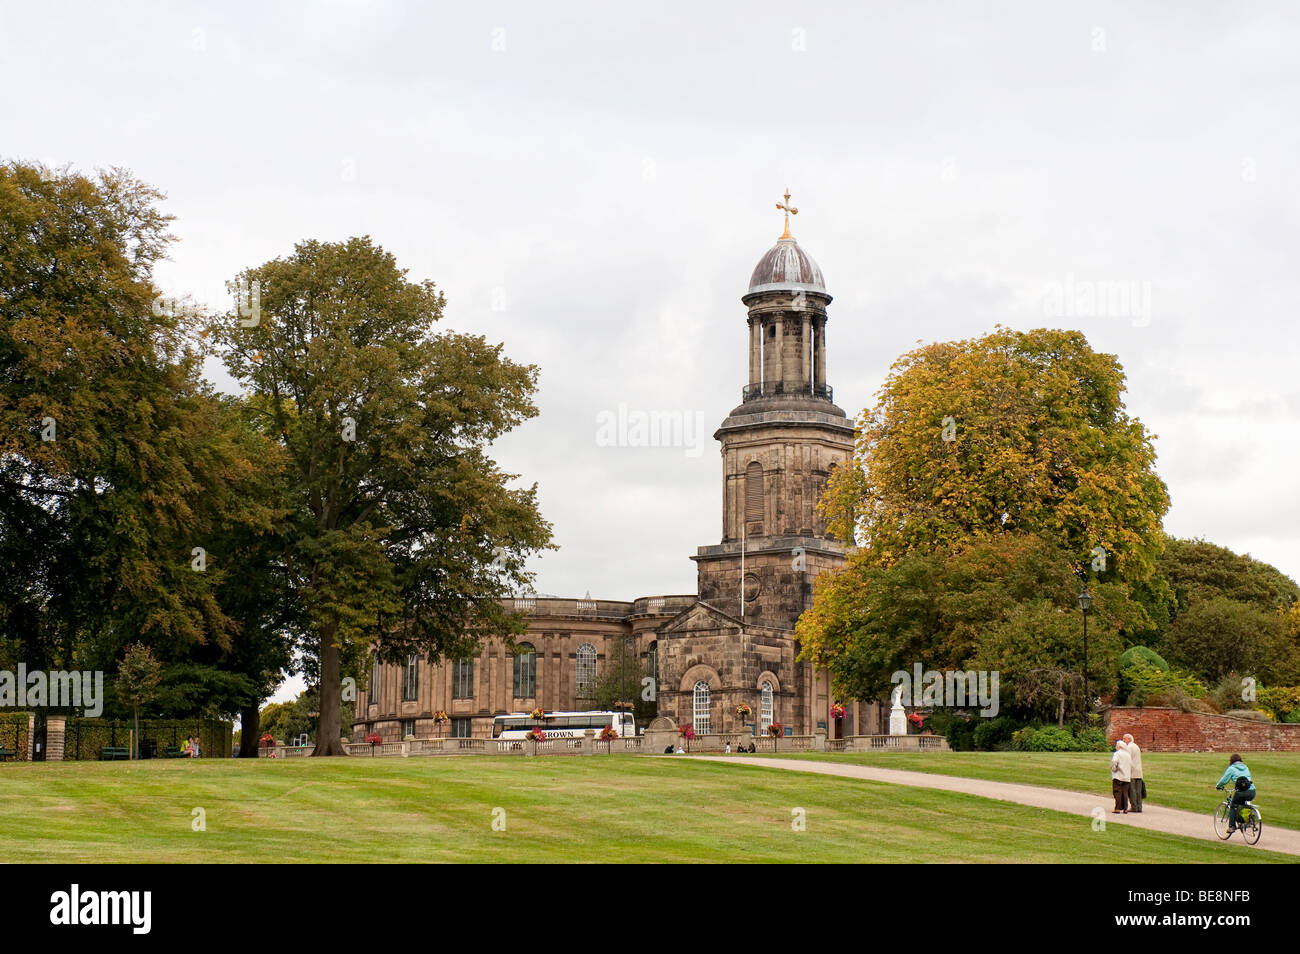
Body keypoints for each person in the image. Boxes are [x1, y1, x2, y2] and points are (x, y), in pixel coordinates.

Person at [1215, 754, 1255, 832]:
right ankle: (1249, 820)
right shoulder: (1245, 767)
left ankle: (1232, 826)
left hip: (1241, 792)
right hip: (1252, 791)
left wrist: (1218, 786)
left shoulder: (1232, 768)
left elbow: (1224, 780)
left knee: (1233, 806)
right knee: (1245, 805)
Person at [1110, 738, 1131, 813]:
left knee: (1117, 792)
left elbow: (1114, 761)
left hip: (1118, 775)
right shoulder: (1128, 755)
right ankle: (1125, 808)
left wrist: (1114, 769)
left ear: (1119, 746)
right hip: (1126, 776)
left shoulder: (1117, 754)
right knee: (1125, 793)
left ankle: (1117, 808)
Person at [1123, 733, 1144, 813]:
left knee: (1132, 790)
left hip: (1132, 772)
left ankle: (1134, 807)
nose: (1123, 740)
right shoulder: (1136, 746)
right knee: (1138, 791)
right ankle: (1139, 806)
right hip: (1138, 771)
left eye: (1124, 739)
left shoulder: (1129, 747)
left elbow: (1127, 759)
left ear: (1129, 739)